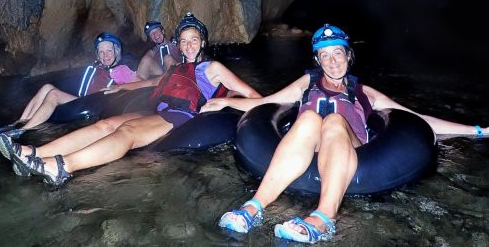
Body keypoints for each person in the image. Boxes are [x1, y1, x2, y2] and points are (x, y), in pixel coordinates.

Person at [202, 23, 488, 244]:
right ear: (318, 60)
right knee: (309, 118)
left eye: (337, 53)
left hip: (351, 149)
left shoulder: (364, 92)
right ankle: (253, 208)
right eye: (325, 55)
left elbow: (417, 120)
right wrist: (227, 102)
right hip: (309, 147)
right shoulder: (306, 84)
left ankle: (324, 217)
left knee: (334, 121)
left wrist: (477, 130)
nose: (332, 61)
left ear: (348, 56)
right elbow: (265, 103)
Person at [0, 12, 262, 184]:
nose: (188, 45)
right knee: (105, 125)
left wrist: (227, 102)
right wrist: (122, 89)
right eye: (183, 41)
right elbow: (152, 82)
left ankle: (62, 167)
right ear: (178, 44)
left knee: (128, 131)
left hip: (181, 116)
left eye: (194, 40)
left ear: (202, 42)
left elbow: (254, 96)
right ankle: (35, 153)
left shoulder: (213, 68)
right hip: (159, 111)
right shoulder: (177, 67)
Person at [0, 32, 152, 138]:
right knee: (47, 87)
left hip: (94, 106)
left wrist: (119, 87)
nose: (105, 55)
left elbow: (143, 84)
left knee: (54, 95)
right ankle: (17, 123)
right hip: (84, 100)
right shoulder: (98, 66)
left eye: (109, 51)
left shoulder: (121, 70)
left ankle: (22, 131)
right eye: (101, 51)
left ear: (116, 51)